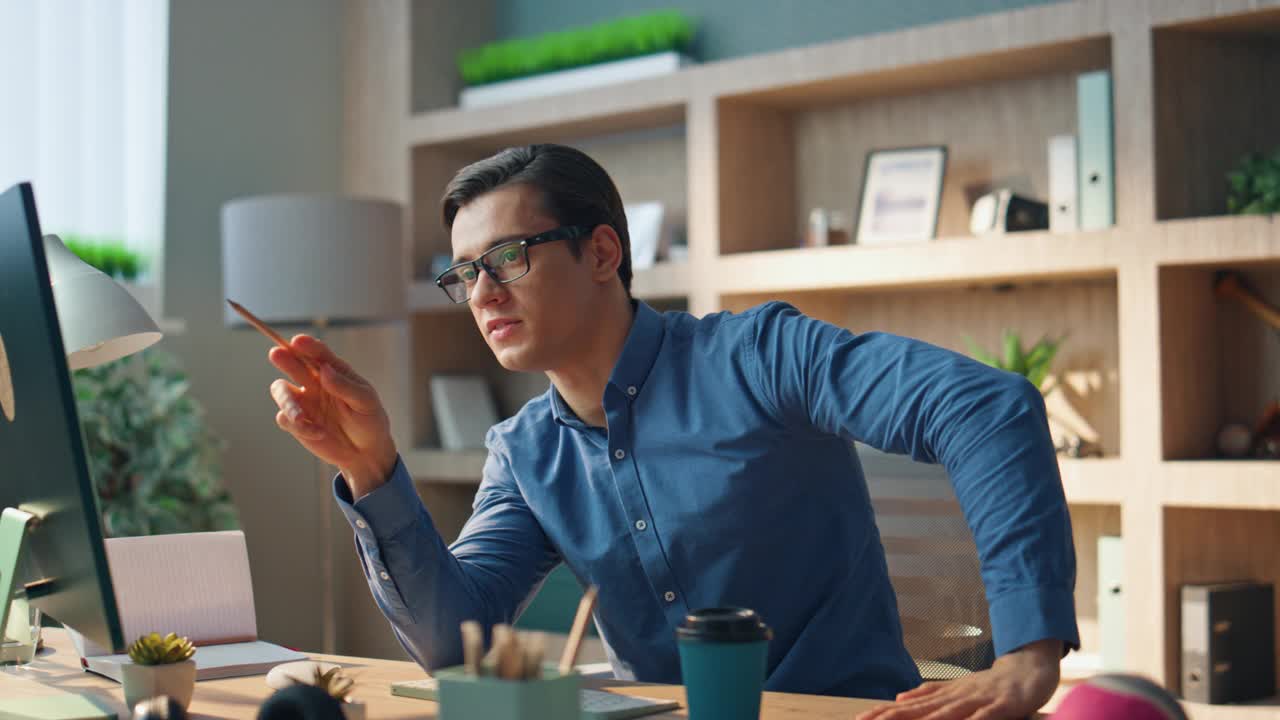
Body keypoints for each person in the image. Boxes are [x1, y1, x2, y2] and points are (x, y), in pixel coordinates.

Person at [266, 144, 1078, 719]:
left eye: (507, 257)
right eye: (464, 274)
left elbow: (986, 406)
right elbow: (456, 643)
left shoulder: (760, 355)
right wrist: (372, 469)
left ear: (602, 251)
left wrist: (1027, 654)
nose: (481, 293)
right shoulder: (525, 452)